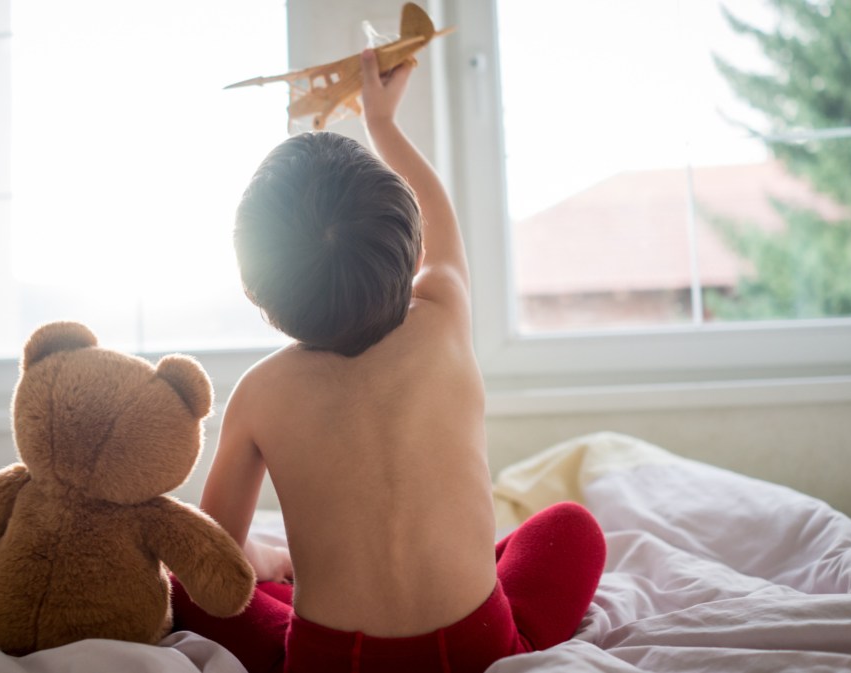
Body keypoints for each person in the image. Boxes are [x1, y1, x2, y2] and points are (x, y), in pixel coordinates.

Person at [172, 49, 606, 673]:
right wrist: (383, 123)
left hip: (332, 662)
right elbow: (444, 223)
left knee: (190, 583)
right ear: (407, 237)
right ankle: (519, 638)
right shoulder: (444, 316)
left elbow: (210, 556)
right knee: (572, 528)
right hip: (474, 646)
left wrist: (267, 563)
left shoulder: (261, 393)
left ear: (257, 290)